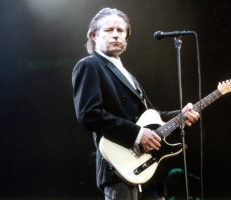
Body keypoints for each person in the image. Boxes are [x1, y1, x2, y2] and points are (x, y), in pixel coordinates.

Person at [72, 8, 200, 200]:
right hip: (118, 167)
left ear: (127, 37)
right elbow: (89, 114)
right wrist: (138, 134)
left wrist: (180, 114)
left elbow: (150, 117)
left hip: (148, 169)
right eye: (108, 30)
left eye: (120, 30)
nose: (115, 34)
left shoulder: (128, 75)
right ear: (93, 35)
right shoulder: (90, 65)